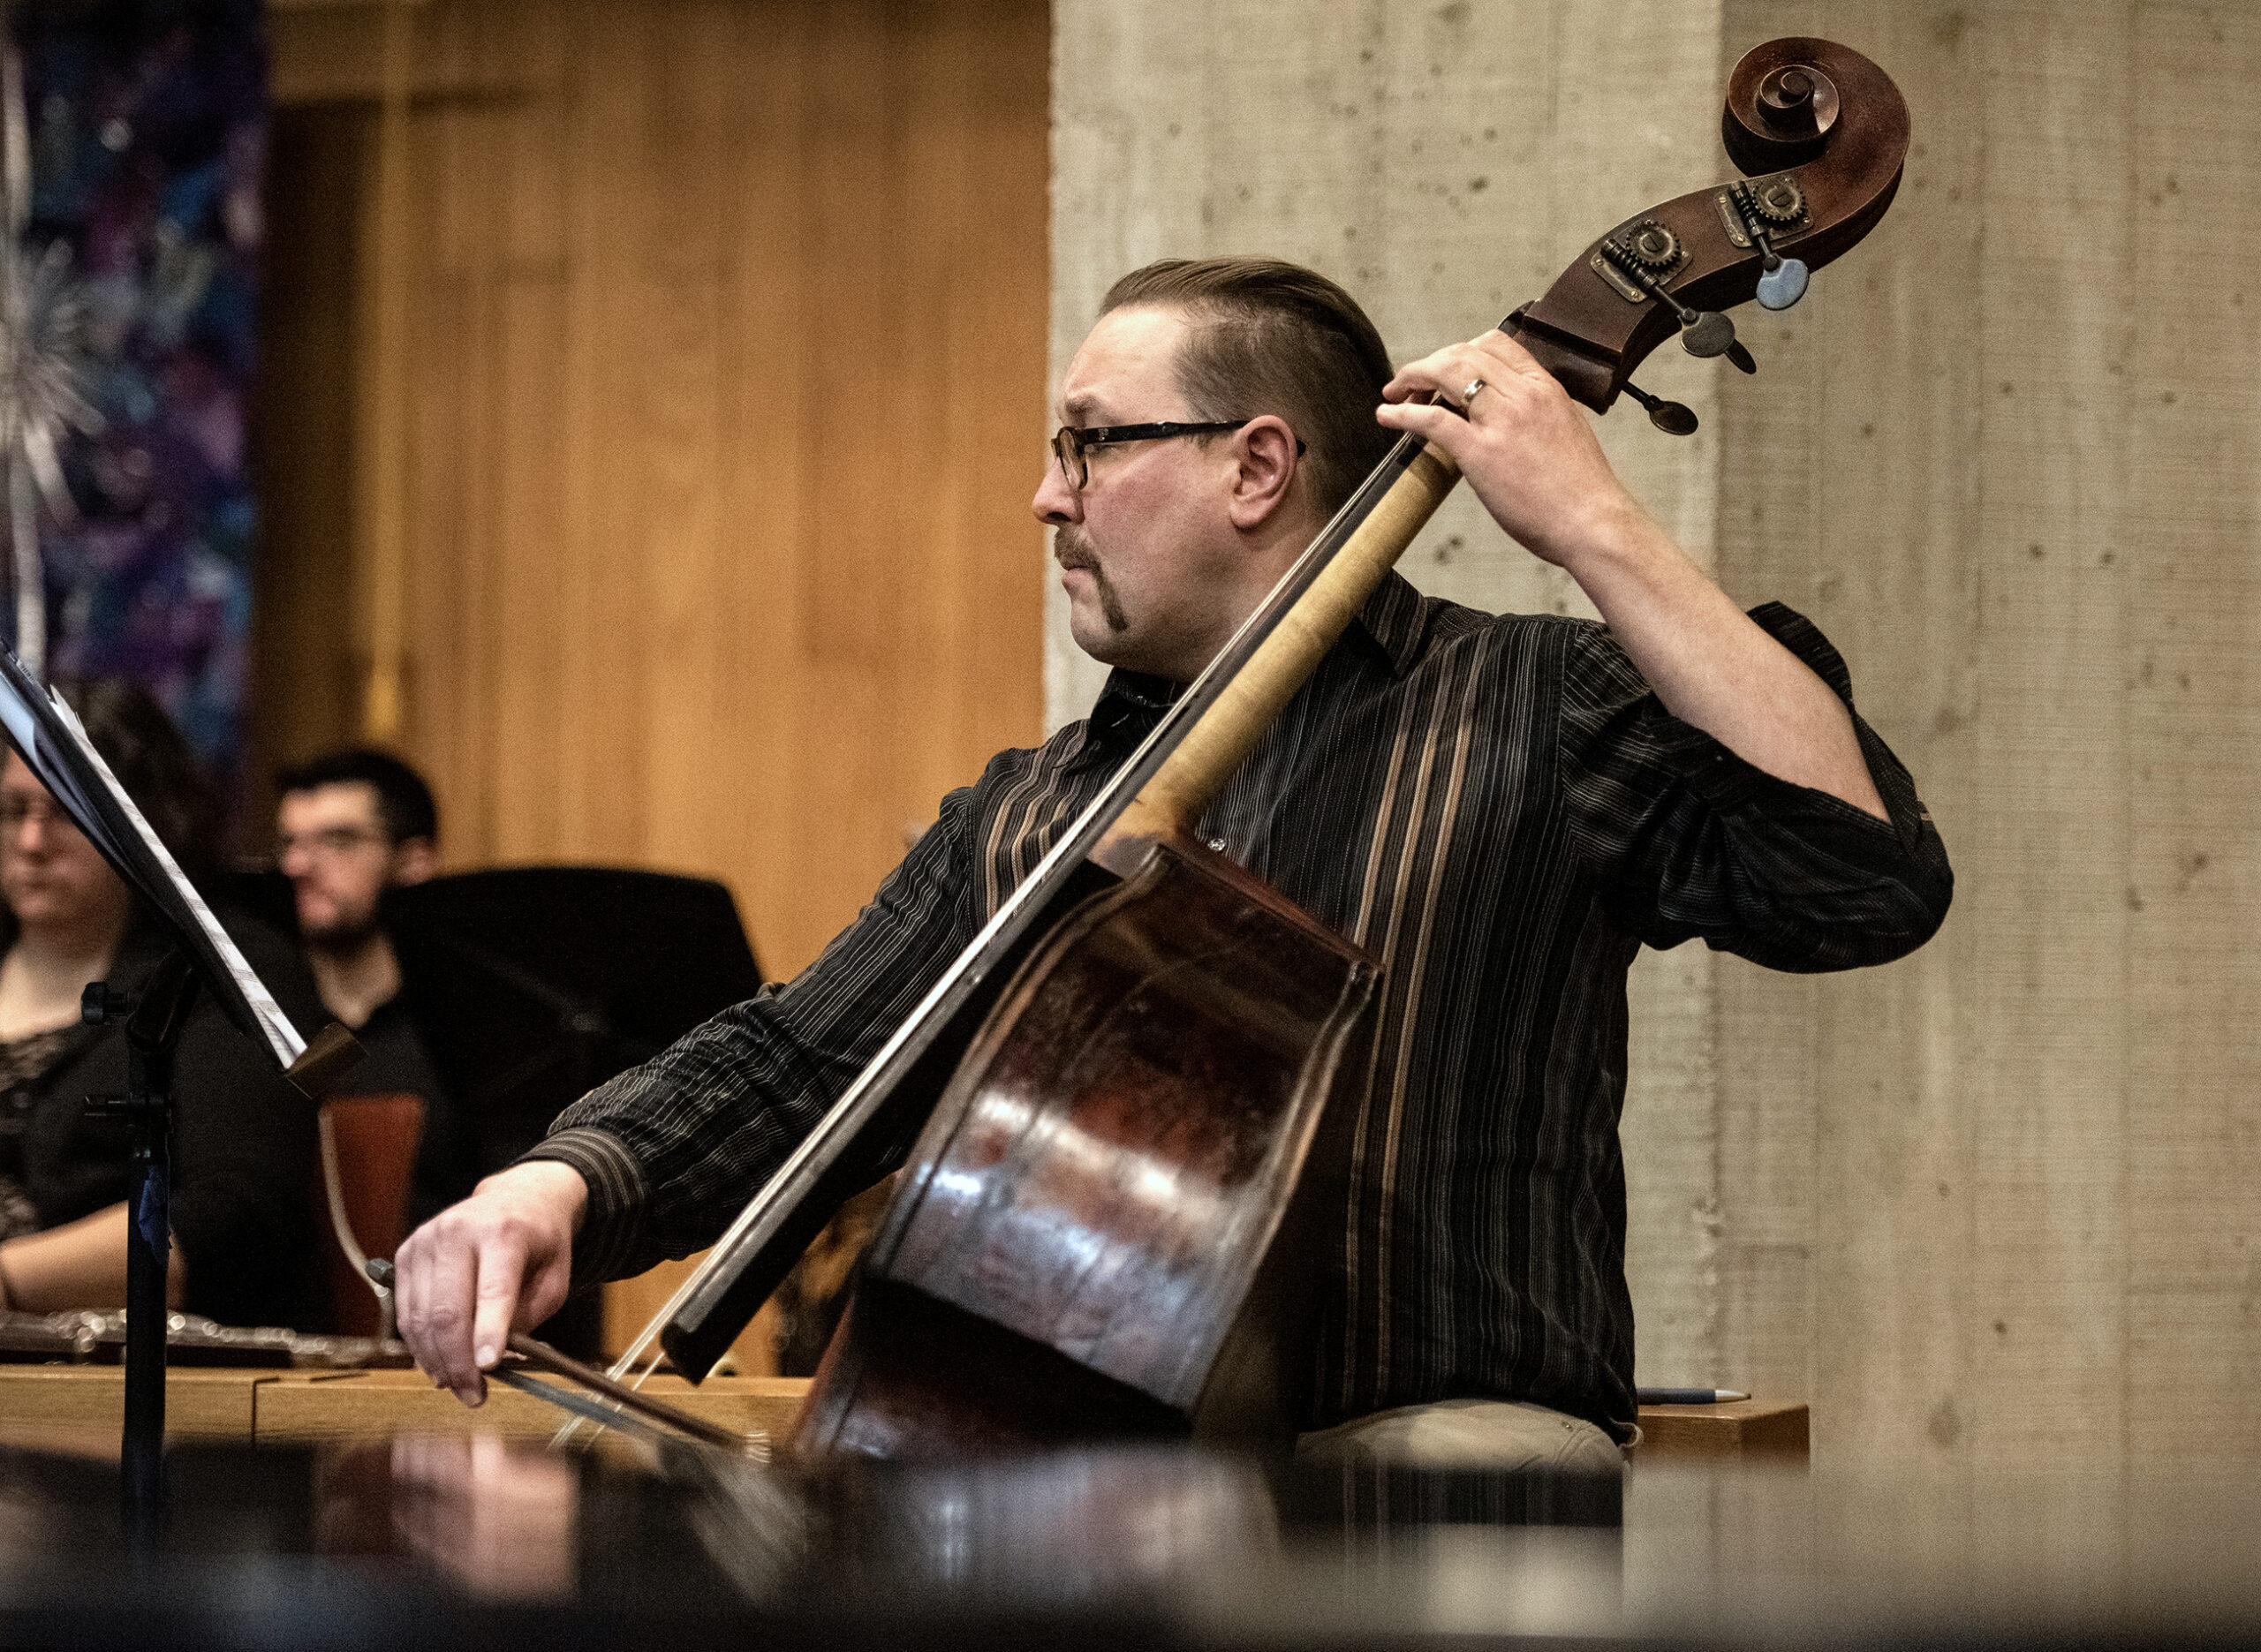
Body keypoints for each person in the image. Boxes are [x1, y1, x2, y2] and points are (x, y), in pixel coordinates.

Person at [395, 258, 1952, 1467]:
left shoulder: (1535, 706)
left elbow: (1859, 879)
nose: (1045, 494)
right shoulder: (1032, 813)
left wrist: (1602, 530)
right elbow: (798, 1060)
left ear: (1257, 467)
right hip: (1085, 1478)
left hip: (1432, 1461)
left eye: (1089, 444)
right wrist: (553, 1186)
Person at [0, 681, 325, 1328]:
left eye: (63, 810)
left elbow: (235, 1217)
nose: (33, 842)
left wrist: (8, 1280)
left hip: (129, 1370)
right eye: (13, 810)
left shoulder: (222, 969)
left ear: (141, 821)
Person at [275, 749, 459, 1222]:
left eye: (337, 841)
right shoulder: (264, 1021)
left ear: (413, 862)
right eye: (290, 842)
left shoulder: (463, 1030)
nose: (297, 864)